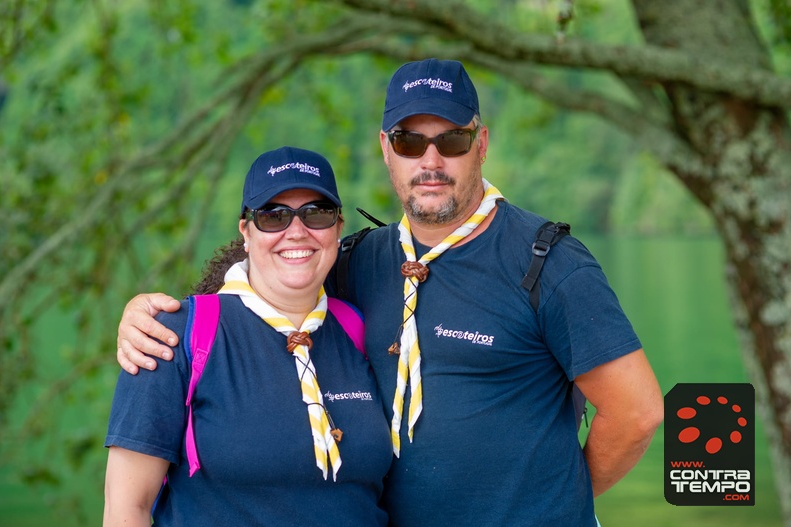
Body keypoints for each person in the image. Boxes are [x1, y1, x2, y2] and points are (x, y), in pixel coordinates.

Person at [116, 59, 664, 526]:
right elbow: (271, 276)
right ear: (386, 149)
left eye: (450, 140)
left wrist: (554, 503)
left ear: (481, 144)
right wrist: (152, 313)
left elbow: (637, 413)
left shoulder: (545, 262)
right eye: (409, 141)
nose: (430, 161)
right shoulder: (358, 260)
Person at [103, 147, 392, 527]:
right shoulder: (171, 336)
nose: (297, 231)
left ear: (338, 228)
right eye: (273, 216)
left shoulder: (358, 329)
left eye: (316, 213)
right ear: (246, 231)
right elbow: (127, 509)